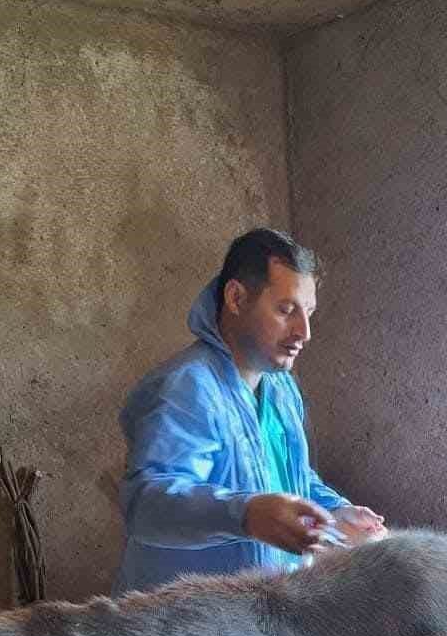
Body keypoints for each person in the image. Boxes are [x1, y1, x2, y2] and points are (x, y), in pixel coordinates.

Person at [114, 228, 385, 593]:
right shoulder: (187, 388)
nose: (304, 332)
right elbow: (147, 504)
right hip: (182, 625)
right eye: (286, 310)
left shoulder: (279, 388)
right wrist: (246, 515)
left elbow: (289, 478)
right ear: (237, 298)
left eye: (309, 312)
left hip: (257, 614)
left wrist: (335, 512)